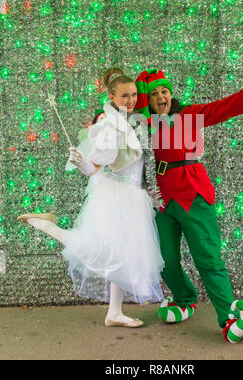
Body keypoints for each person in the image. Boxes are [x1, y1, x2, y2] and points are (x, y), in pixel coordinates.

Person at [135, 67, 243, 342]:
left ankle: (228, 317)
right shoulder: (146, 125)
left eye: (164, 91)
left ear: (171, 93)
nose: (160, 96)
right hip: (162, 199)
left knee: (208, 258)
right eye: (154, 93)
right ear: (149, 100)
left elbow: (227, 107)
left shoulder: (188, 116)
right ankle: (184, 298)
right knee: (163, 259)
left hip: (193, 193)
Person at [18, 68, 164, 328]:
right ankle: (44, 223)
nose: (130, 100)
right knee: (95, 250)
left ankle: (114, 313)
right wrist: (83, 161)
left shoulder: (133, 121)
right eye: (124, 96)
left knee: (123, 257)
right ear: (111, 96)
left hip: (134, 196)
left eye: (133, 95)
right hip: (117, 198)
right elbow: (96, 167)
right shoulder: (108, 125)